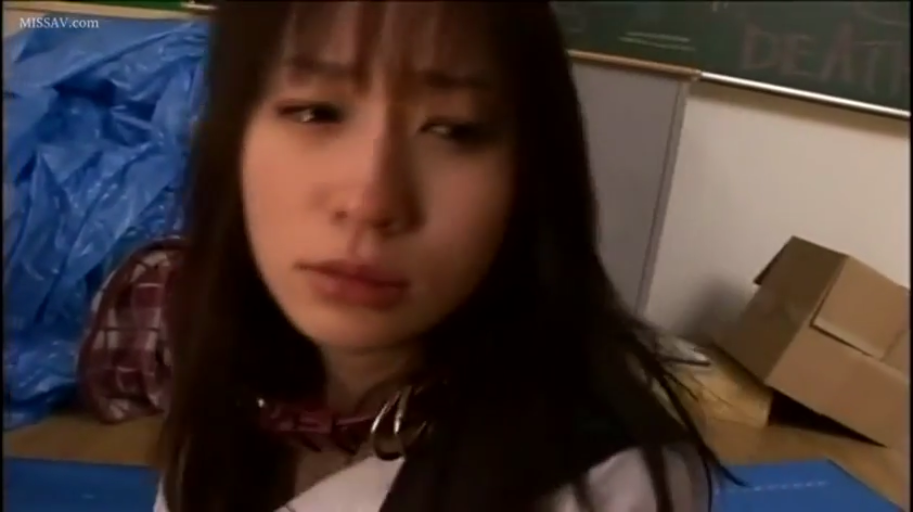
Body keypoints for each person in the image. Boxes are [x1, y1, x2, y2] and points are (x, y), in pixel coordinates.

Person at [155, 2, 734, 511]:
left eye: (454, 129)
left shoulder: (600, 487)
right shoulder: (224, 379)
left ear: (530, 173)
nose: (371, 201)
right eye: (316, 112)